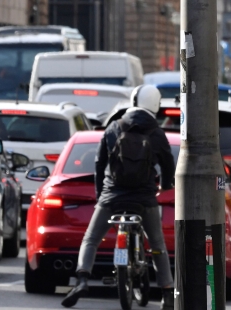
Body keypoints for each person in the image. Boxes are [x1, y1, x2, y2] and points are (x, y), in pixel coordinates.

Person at [61, 85, 175, 309]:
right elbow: (168, 163)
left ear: (133, 101)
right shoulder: (157, 133)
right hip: (144, 199)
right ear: (155, 104)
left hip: (112, 196)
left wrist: (100, 194)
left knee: (91, 239)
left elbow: (99, 163)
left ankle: (82, 279)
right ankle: (168, 292)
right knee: (157, 243)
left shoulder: (114, 127)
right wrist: (167, 183)